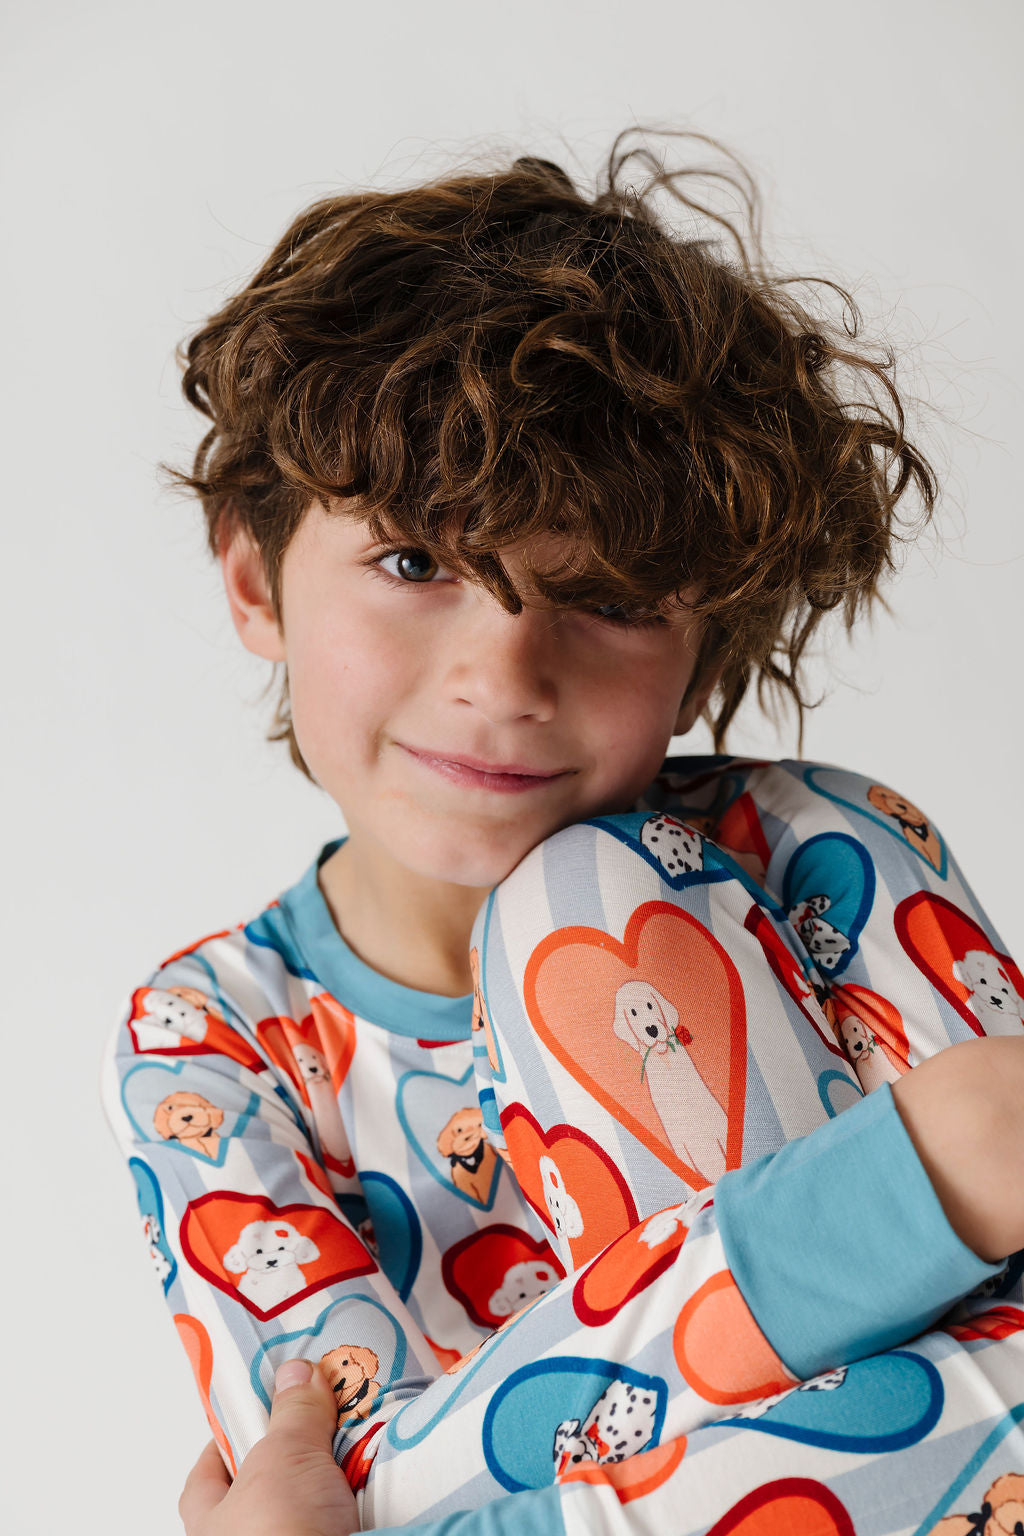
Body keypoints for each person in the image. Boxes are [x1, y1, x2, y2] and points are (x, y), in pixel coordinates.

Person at [100, 128, 1024, 1536]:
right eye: (414, 560)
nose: (504, 678)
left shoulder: (816, 845)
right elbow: (344, 1488)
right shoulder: (213, 1041)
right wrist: (901, 1193)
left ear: (706, 659)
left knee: (588, 900)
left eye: (610, 599)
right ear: (256, 580)